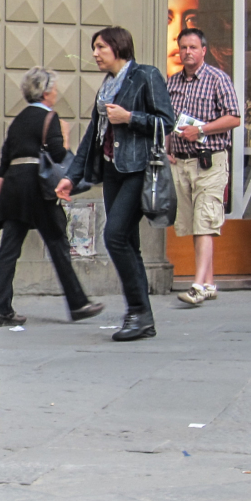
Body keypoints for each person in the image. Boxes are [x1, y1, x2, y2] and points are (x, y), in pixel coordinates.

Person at [56, 27, 176, 342]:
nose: (95, 53)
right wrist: (71, 176)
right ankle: (141, 317)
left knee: (115, 236)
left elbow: (167, 122)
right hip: (112, 172)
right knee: (127, 243)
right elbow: (91, 138)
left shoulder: (146, 76)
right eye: (94, 48)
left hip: (138, 169)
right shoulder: (107, 87)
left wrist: (130, 117)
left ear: (118, 46)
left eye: (100, 47)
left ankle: (138, 312)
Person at [0, 68, 104, 327]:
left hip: (12, 187)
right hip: (37, 188)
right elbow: (58, 154)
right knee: (57, 242)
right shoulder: (49, 117)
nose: (56, 93)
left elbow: (4, 162)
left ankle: (0, 309)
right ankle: (78, 304)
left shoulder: (17, 120)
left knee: (9, 250)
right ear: (46, 91)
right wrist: (66, 138)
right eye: (54, 89)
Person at [166, 28, 241, 306]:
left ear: (203, 50)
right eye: (183, 47)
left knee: (204, 222)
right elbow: (166, 121)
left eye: (193, 47)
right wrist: (167, 149)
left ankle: (198, 285)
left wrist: (202, 130)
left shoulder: (217, 79)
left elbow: (234, 118)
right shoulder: (172, 82)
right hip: (182, 162)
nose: (187, 52)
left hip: (210, 160)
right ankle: (208, 283)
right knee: (192, 224)